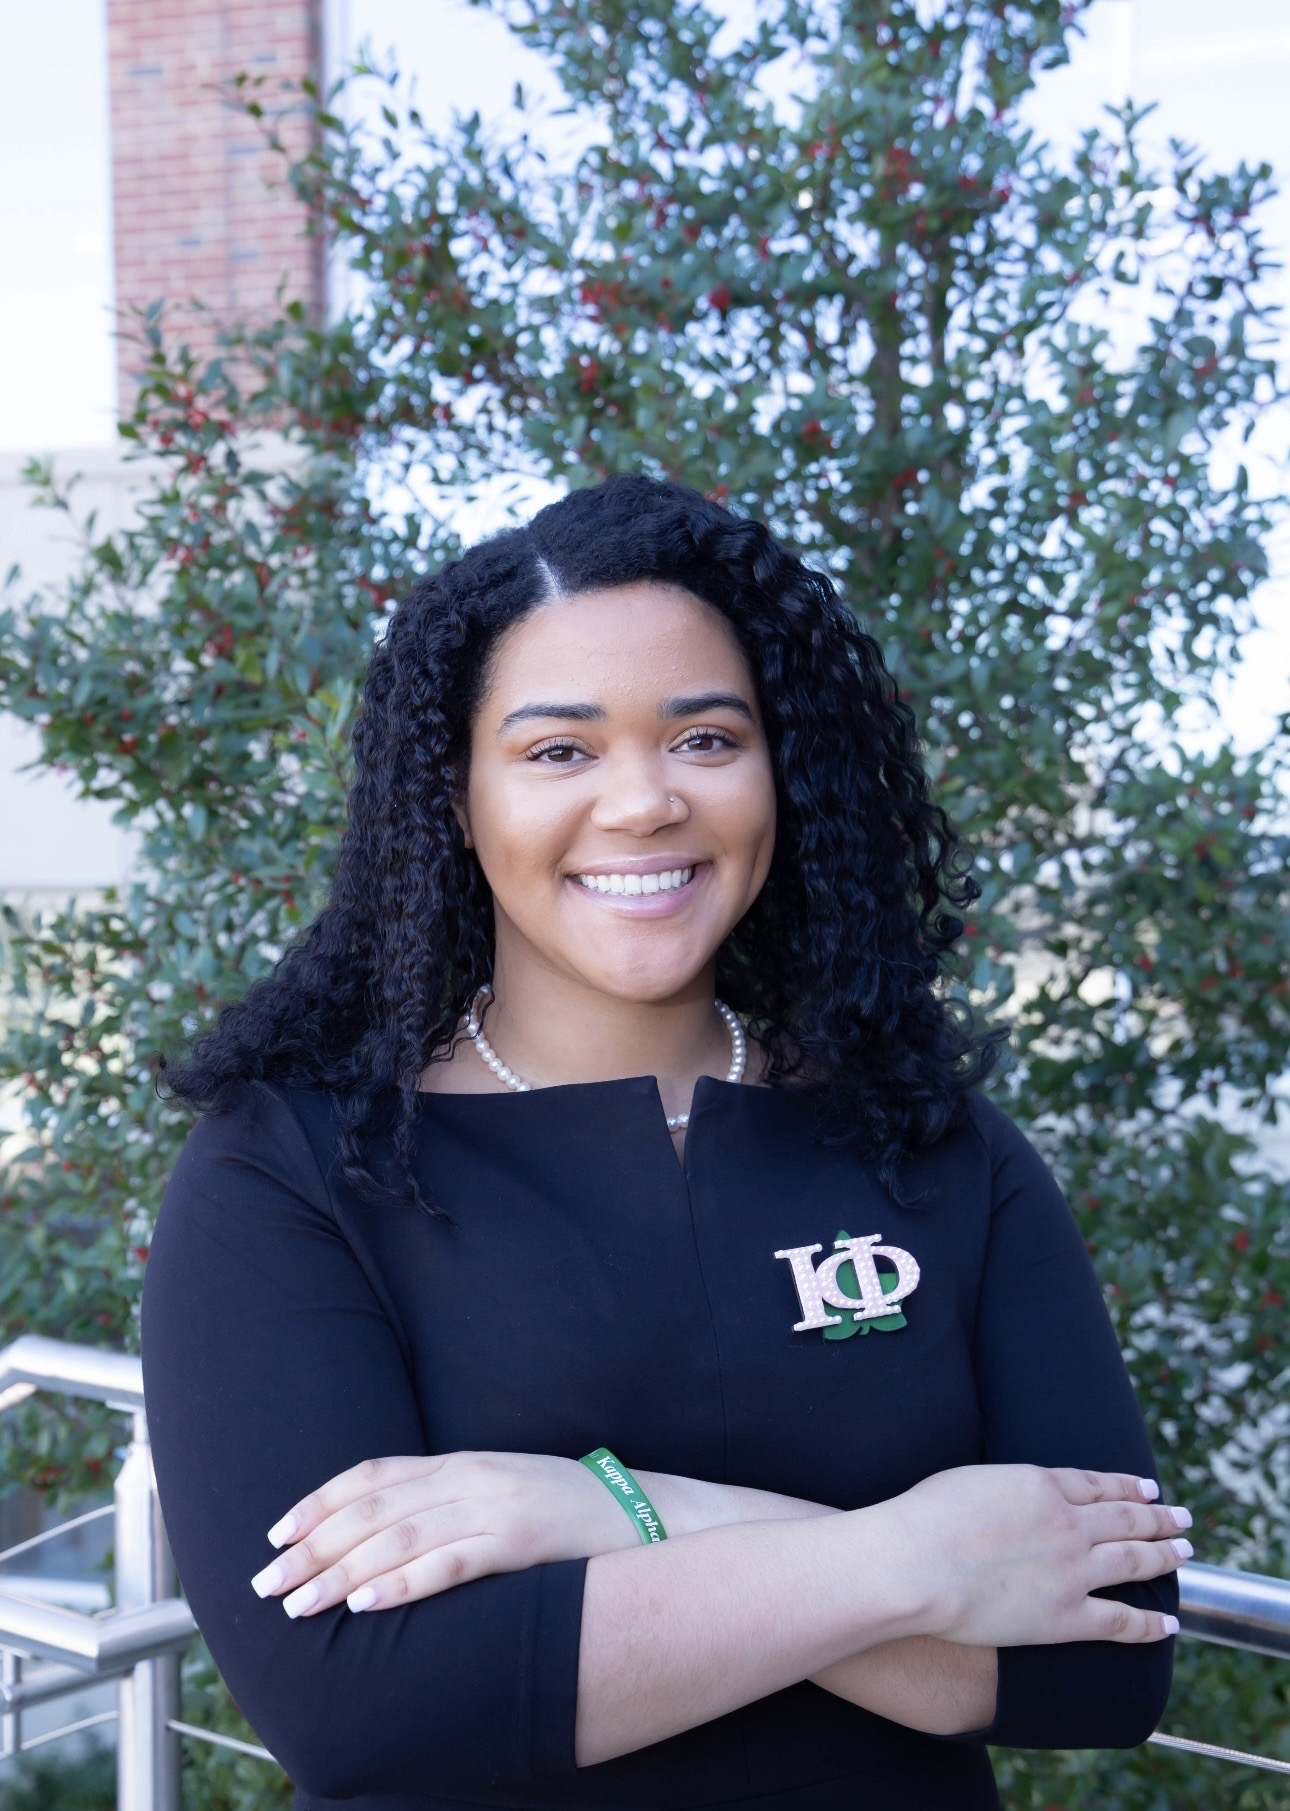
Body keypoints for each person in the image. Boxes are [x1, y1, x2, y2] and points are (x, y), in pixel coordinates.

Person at [142, 476, 1187, 1811]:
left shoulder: (933, 1147)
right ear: (455, 796)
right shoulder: (293, 1166)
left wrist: (611, 1512)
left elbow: (1105, 1662)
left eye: (703, 738)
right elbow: (358, 1706)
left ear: (778, 772)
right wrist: (918, 1564)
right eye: (557, 752)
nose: (642, 803)